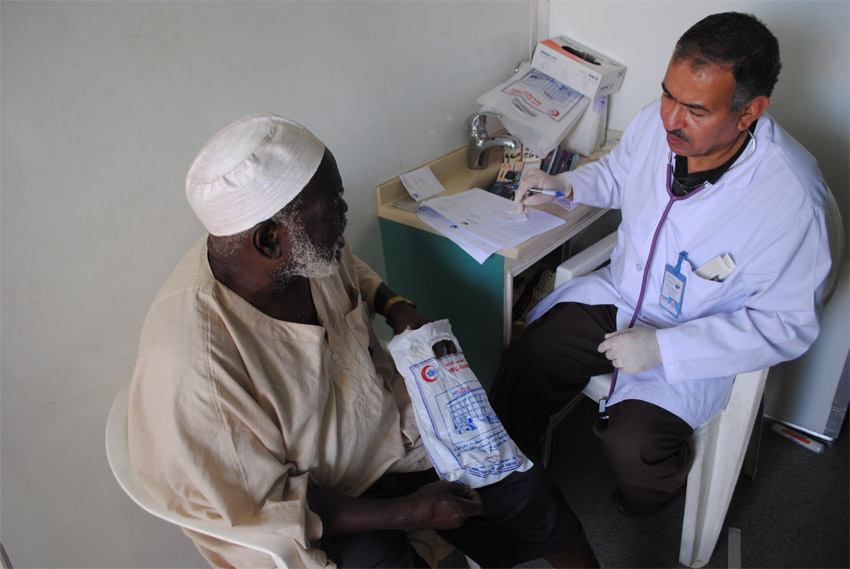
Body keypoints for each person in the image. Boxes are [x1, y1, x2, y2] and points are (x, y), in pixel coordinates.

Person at [128, 112, 598, 568]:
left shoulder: (299, 250)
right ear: (270, 241)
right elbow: (266, 507)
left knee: (529, 493)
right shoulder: (196, 369)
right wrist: (410, 512)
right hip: (319, 503)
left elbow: (348, 266)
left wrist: (393, 304)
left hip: (388, 433)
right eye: (332, 207)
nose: (345, 213)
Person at [490, 12, 833, 516]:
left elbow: (787, 325)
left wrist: (663, 347)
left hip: (699, 335)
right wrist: (566, 186)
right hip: (622, 296)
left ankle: (642, 505)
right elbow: (620, 174)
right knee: (530, 360)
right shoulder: (659, 123)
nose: (670, 118)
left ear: (749, 111)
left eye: (695, 109)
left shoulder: (792, 200)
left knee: (635, 448)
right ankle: (503, 484)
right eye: (668, 94)